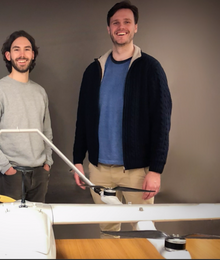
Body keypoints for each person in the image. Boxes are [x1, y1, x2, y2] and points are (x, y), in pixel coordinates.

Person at [72, 0, 172, 237]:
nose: (121, 27)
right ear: (108, 28)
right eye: (115, 22)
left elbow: (162, 121)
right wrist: (77, 161)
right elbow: (82, 119)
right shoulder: (94, 70)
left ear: (135, 27)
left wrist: (156, 170)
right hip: (98, 170)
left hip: (137, 172)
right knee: (108, 232)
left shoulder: (150, 68)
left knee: (144, 231)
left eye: (127, 22)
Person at [0, 30, 53, 203]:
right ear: (8, 55)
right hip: (10, 177)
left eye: (27, 49)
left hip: (39, 175)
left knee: (36, 228)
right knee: (10, 230)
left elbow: (46, 133)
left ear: (33, 55)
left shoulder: (40, 92)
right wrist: (7, 169)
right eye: (16, 49)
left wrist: (47, 163)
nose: (22, 54)